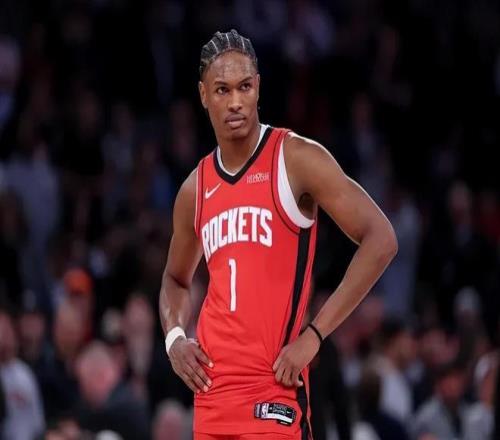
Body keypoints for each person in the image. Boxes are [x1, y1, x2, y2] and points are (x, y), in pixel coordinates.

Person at [158, 29, 398, 440]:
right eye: (222, 90)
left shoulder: (296, 158)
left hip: (274, 389)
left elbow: (381, 239)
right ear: (203, 95)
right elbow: (175, 279)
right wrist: (175, 338)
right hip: (211, 396)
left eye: (245, 87)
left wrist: (315, 335)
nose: (235, 101)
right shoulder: (194, 189)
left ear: (258, 87)